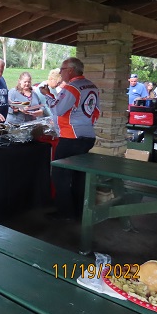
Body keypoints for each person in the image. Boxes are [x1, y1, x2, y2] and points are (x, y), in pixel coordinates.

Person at [40, 57, 100, 220]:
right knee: (79, 176)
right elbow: (96, 112)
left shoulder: (72, 87)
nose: (60, 72)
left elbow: (58, 110)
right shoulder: (92, 86)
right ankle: (79, 212)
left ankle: (65, 213)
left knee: (60, 176)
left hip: (71, 137)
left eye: (62, 69)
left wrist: (48, 95)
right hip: (87, 136)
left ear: (71, 70)